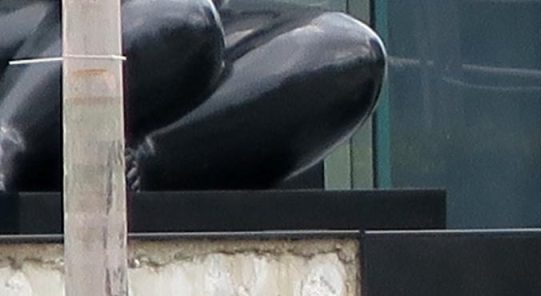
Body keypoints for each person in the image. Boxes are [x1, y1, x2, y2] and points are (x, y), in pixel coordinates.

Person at [0, 0, 385, 192]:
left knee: (351, 51)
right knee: (182, 15)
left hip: (192, 73)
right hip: (38, 42)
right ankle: (10, 137)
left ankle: (146, 160)